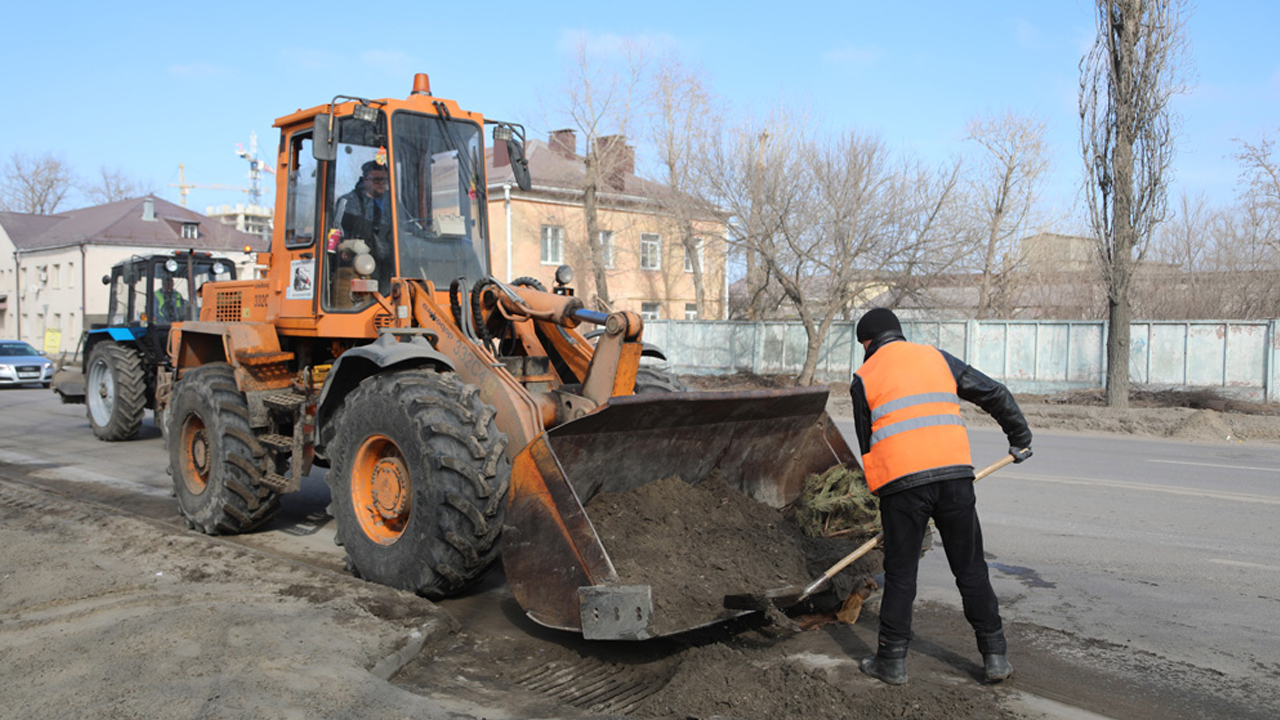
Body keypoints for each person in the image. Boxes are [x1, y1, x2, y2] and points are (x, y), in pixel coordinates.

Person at [850, 308, 1032, 686]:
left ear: (868, 342)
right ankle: (995, 656)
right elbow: (994, 392)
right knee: (970, 569)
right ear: (898, 333)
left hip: (901, 486)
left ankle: (891, 661)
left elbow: (867, 445)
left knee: (901, 575)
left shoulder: (864, 377)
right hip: (955, 478)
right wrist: (1019, 438)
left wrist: (885, 499)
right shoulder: (936, 358)